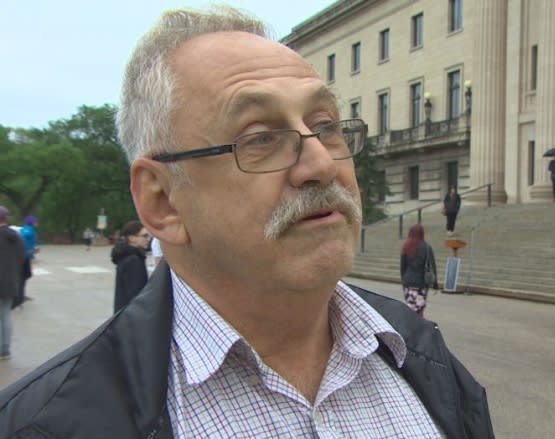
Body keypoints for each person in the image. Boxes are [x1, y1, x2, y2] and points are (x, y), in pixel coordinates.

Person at [0, 7, 494, 438]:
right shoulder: (45, 423)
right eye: (259, 138)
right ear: (162, 202)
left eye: (326, 126)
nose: (322, 164)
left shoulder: (425, 358)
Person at [0, 206, 26, 360]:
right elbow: (22, 257)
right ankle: (5, 349)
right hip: (10, 281)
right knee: (6, 314)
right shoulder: (15, 237)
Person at [111, 220, 151, 313]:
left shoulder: (126, 255)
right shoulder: (133, 261)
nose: (148, 239)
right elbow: (137, 295)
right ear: (132, 238)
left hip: (124, 314)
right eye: (144, 236)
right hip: (131, 317)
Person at [400, 223, 437, 318]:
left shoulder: (406, 246)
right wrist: (435, 283)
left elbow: (402, 266)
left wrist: (403, 280)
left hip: (408, 281)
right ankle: (418, 326)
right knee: (419, 307)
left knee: (410, 306)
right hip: (421, 282)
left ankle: (409, 325)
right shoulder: (427, 248)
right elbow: (432, 266)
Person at [16, 214, 38, 306]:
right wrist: (28, 251)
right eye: (36, 221)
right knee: (24, 277)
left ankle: (21, 295)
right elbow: (23, 239)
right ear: (32, 222)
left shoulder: (24, 228)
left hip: (24, 257)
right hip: (24, 257)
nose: (37, 223)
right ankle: (19, 297)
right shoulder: (28, 230)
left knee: (24, 276)